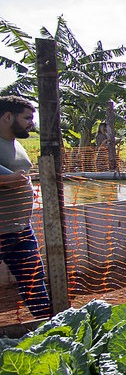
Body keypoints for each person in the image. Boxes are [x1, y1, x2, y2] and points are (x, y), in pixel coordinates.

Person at [0, 96, 52, 317]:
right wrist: (6, 180)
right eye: (27, 118)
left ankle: (53, 332)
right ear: (7, 116)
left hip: (21, 228)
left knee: (34, 281)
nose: (31, 123)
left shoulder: (16, 143)